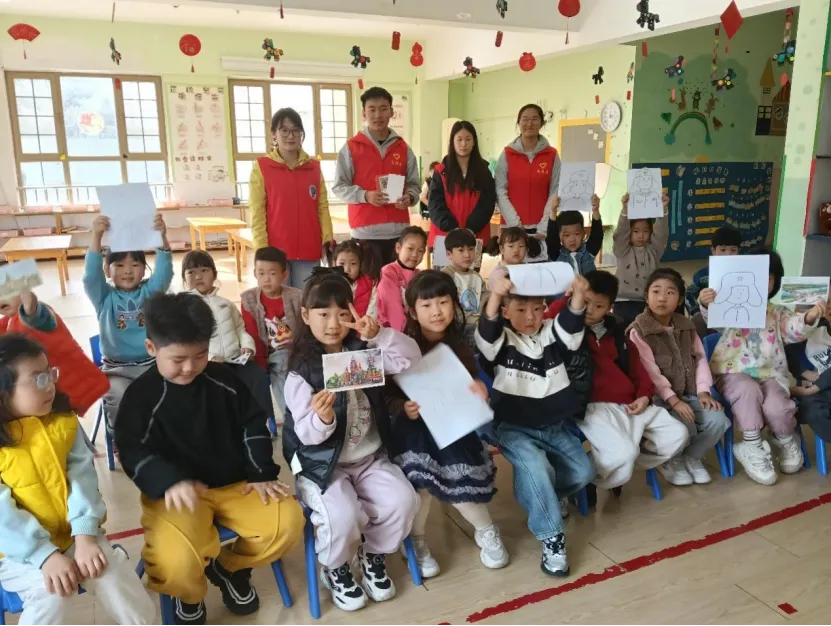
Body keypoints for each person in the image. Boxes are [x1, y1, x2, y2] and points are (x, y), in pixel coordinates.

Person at [114, 293, 303, 626]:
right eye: (178, 359)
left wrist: (261, 472)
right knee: (175, 562)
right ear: (151, 348)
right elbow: (132, 450)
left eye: (200, 355)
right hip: (177, 495)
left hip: (237, 485)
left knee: (286, 523)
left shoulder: (224, 379)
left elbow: (253, 424)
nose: (190, 367)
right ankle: (190, 594)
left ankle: (228, 567)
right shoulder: (141, 397)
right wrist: (168, 481)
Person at [282, 268, 421, 611]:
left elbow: (410, 360)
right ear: (305, 316)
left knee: (403, 500)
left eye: (342, 313)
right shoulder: (302, 370)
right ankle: (336, 567)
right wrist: (323, 418)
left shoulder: (363, 351)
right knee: (342, 515)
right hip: (322, 465)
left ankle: (373, 555)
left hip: (369, 456)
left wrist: (380, 334)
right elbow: (304, 435)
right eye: (323, 314)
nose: (333, 324)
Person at [0, 334, 155, 626]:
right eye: (38, 379)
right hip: (16, 551)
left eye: (50, 374)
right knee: (51, 593)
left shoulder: (65, 424)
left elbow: (83, 480)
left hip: (75, 535)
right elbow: (3, 518)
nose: (50, 384)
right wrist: (45, 556)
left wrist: (84, 537)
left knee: (111, 573)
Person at [386, 271, 506, 577]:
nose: (436, 311)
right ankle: (416, 541)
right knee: (421, 487)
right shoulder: (401, 345)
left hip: (453, 426)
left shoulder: (462, 342)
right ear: (413, 311)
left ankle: (486, 530)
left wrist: (480, 389)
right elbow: (386, 394)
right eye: (426, 305)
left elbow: (473, 380)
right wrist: (402, 407)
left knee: (458, 477)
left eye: (443, 302)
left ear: (455, 304)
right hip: (413, 429)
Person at [476, 272, 595, 577]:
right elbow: (487, 331)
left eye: (537, 309)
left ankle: (543, 497)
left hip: (553, 424)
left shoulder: (552, 333)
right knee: (536, 467)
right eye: (520, 310)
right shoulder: (501, 340)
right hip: (512, 426)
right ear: (506, 312)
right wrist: (495, 295)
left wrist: (578, 294)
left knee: (583, 472)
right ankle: (552, 538)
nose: (530, 317)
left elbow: (571, 325)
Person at [547, 271, 688, 492]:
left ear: (609, 308)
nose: (589, 310)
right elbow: (546, 319)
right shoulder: (565, 330)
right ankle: (590, 476)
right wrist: (568, 298)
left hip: (630, 403)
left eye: (599, 306)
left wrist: (644, 395)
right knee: (623, 454)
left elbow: (637, 369)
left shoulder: (618, 333)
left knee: (677, 435)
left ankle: (600, 471)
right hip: (593, 406)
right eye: (585, 302)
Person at [702, 248, 826, 485]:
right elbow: (711, 318)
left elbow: (794, 330)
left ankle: (784, 438)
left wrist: (810, 316)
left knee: (778, 406)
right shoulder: (729, 303)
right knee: (747, 390)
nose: (761, 282)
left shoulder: (778, 312)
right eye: (756, 275)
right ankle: (751, 444)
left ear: (775, 282)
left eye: (768, 277)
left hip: (770, 374)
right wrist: (706, 303)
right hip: (732, 372)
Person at [629, 268, 731, 486]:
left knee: (719, 420)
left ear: (680, 300)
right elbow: (650, 373)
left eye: (670, 292)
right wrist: (673, 400)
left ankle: (691, 457)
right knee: (686, 426)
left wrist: (703, 391)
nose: (662, 298)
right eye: (656, 291)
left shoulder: (686, 326)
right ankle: (671, 460)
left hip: (688, 394)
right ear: (646, 297)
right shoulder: (639, 331)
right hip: (657, 400)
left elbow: (700, 359)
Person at [83, 213, 173, 429]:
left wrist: (162, 237)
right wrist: (96, 236)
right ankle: (123, 440)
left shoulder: (150, 293)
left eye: (135, 264)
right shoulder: (104, 297)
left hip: (152, 366)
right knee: (119, 398)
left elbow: (164, 274)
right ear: (107, 270)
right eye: (120, 265)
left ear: (144, 269)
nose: (128, 270)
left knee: (168, 397)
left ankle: (161, 436)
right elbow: (91, 277)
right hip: (116, 371)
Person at [333, 87, 421, 269]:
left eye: (383, 109)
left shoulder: (403, 148)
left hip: (399, 233)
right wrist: (365, 196)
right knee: (368, 283)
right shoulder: (351, 148)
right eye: (372, 109)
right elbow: (339, 187)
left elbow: (414, 184)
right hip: (365, 232)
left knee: (399, 282)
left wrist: (410, 197)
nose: (378, 115)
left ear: (391, 112)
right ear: (364, 113)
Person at [249, 107, 334, 288]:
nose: (290, 136)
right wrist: (261, 249)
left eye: (296, 130)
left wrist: (327, 239)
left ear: (301, 134)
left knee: (306, 299)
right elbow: (257, 211)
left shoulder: (314, 167)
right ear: (274, 134)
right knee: (280, 300)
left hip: (309, 249)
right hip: (275, 252)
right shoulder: (262, 167)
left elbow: (322, 207)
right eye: (284, 130)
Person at [181, 250, 272, 417]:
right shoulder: (185, 308)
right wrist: (209, 357)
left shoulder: (226, 303)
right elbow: (186, 340)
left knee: (258, 376)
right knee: (217, 390)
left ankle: (265, 419)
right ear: (184, 278)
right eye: (191, 272)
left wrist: (247, 346)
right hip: (207, 364)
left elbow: (240, 329)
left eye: (204, 270)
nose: (198, 276)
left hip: (236, 360)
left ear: (214, 274)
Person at [0, 289, 108, 417]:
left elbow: (43, 319)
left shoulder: (36, 314)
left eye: (4, 290)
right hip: (39, 400)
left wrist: (31, 311)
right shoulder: (5, 323)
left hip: (62, 394)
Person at [240, 246, 302, 417]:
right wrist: (261, 364)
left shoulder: (297, 297)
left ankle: (295, 416)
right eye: (261, 273)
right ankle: (292, 417)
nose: (266, 279)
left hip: (297, 352)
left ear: (284, 275)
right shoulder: (249, 299)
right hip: (270, 356)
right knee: (281, 369)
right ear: (255, 273)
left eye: (272, 273)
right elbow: (253, 334)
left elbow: (306, 328)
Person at [495, 104, 561, 263]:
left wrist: (545, 225)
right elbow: (499, 190)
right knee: (513, 273)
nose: (529, 124)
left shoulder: (551, 155)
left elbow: (555, 190)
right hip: (512, 229)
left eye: (534, 119)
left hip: (542, 230)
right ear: (518, 123)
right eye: (525, 119)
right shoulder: (507, 154)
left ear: (542, 123)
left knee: (541, 272)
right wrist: (516, 225)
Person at [427, 121, 496, 256]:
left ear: (474, 142)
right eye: (459, 139)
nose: (463, 144)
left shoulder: (484, 171)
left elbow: (487, 203)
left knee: (472, 270)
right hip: (445, 236)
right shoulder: (440, 171)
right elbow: (435, 204)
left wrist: (470, 229)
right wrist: (453, 229)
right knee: (445, 271)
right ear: (452, 142)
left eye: (468, 139)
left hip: (475, 235)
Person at [612, 192, 670, 327]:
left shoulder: (654, 250)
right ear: (629, 232)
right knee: (625, 331)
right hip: (623, 301)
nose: (641, 236)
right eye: (636, 231)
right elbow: (620, 234)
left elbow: (661, 233)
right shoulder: (622, 250)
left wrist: (663, 209)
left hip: (648, 301)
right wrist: (625, 210)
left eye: (646, 231)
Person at [685, 225, 742, 337]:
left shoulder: (745, 273)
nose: (728, 254)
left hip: (737, 320)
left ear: (738, 251)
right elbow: (689, 294)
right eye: (723, 250)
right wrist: (697, 310)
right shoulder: (701, 275)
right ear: (713, 251)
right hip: (709, 320)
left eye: (733, 250)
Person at [441, 228, 487, 351]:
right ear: (449, 254)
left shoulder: (477, 276)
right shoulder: (446, 275)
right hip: (456, 324)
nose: (467, 255)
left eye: (471, 249)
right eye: (461, 250)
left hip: (476, 323)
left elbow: (484, 298)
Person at [376, 226, 427, 332]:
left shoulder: (420, 275)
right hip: (392, 330)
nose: (415, 255)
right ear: (398, 248)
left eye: (420, 251)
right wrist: (402, 334)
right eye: (410, 248)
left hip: (414, 329)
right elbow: (392, 307)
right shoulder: (389, 272)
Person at [549, 195, 603, 274]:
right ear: (559, 236)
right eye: (567, 235)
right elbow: (551, 238)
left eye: (577, 234)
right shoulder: (557, 254)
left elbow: (597, 235)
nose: (572, 239)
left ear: (584, 234)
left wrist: (595, 210)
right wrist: (553, 212)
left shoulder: (588, 251)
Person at [334, 239, 380, 318]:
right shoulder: (327, 284)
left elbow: (373, 311)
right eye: (342, 263)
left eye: (353, 264)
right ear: (334, 264)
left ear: (360, 265)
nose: (347, 269)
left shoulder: (370, 284)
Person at [484, 227, 538, 291]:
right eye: (511, 246)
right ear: (502, 249)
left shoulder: (529, 269)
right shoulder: (498, 274)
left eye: (521, 246)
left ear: (526, 249)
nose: (516, 250)